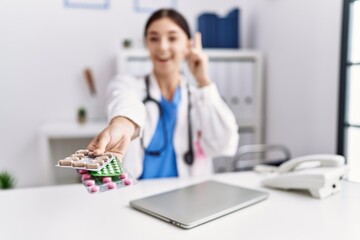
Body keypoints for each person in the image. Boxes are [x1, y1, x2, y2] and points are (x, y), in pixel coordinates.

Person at [88, 8, 239, 179]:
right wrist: (124, 123)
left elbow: (225, 142)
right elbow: (123, 98)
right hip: (137, 196)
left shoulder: (198, 98)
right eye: (154, 38)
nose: (162, 46)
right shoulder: (129, 84)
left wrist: (203, 81)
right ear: (147, 44)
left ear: (188, 45)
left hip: (189, 196)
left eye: (172, 38)